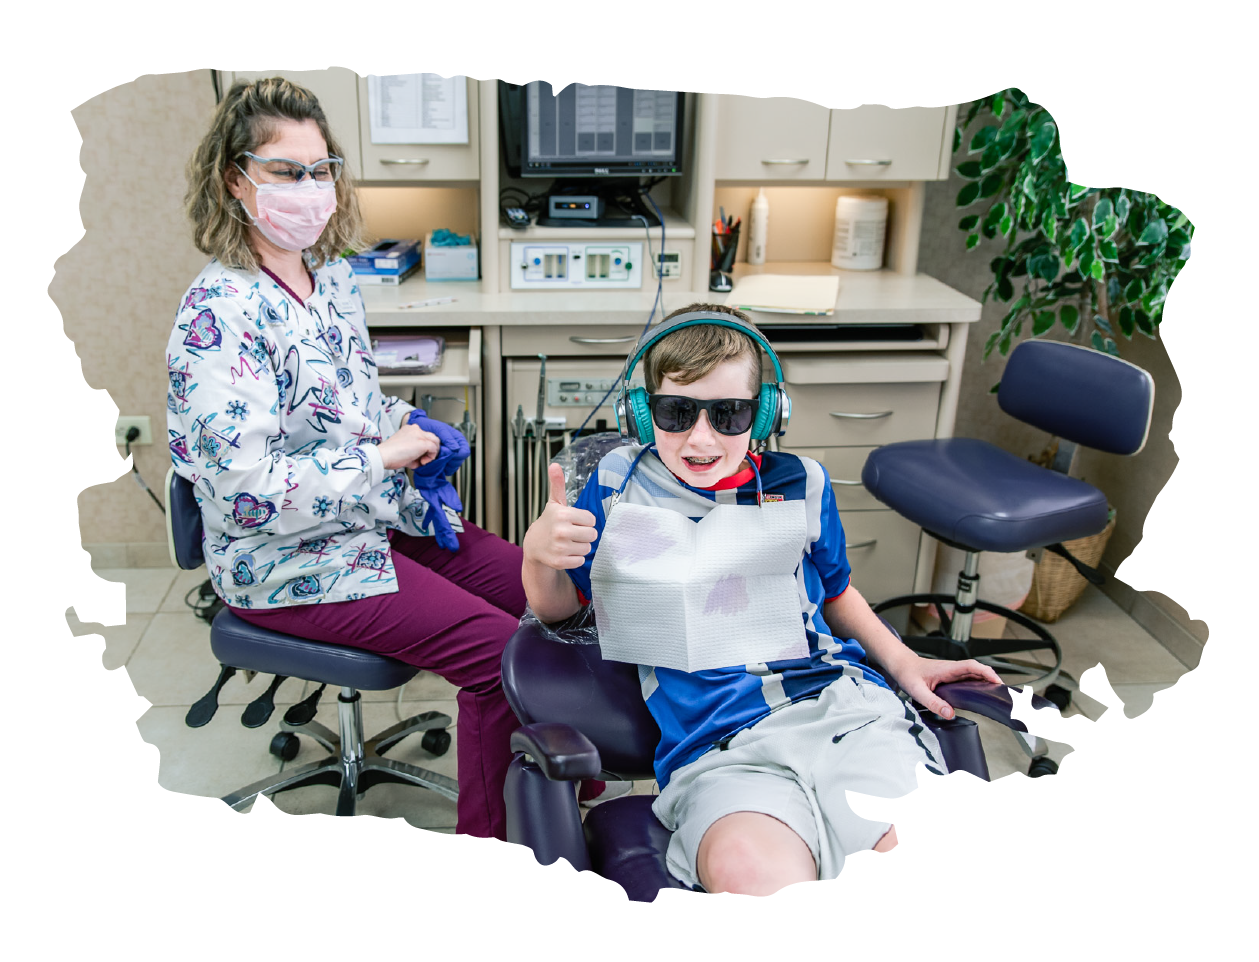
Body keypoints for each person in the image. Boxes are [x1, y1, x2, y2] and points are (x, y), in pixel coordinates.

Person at [522, 304, 1002, 895]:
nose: (701, 438)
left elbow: (836, 593)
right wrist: (538, 556)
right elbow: (558, 610)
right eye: (676, 412)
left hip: (840, 714)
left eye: (729, 414)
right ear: (642, 414)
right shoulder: (618, 483)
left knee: (923, 867)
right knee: (754, 881)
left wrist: (905, 661)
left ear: (767, 413)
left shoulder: (803, 484)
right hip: (717, 747)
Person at [167, 77, 525, 839]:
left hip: (366, 517)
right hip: (282, 556)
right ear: (235, 180)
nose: (309, 188)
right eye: (284, 171)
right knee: (498, 655)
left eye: (320, 169)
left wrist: (410, 423)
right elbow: (245, 490)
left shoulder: (327, 276)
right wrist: (381, 458)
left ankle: (561, 785)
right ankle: (501, 848)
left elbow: (348, 406)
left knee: (542, 590)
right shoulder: (218, 314)